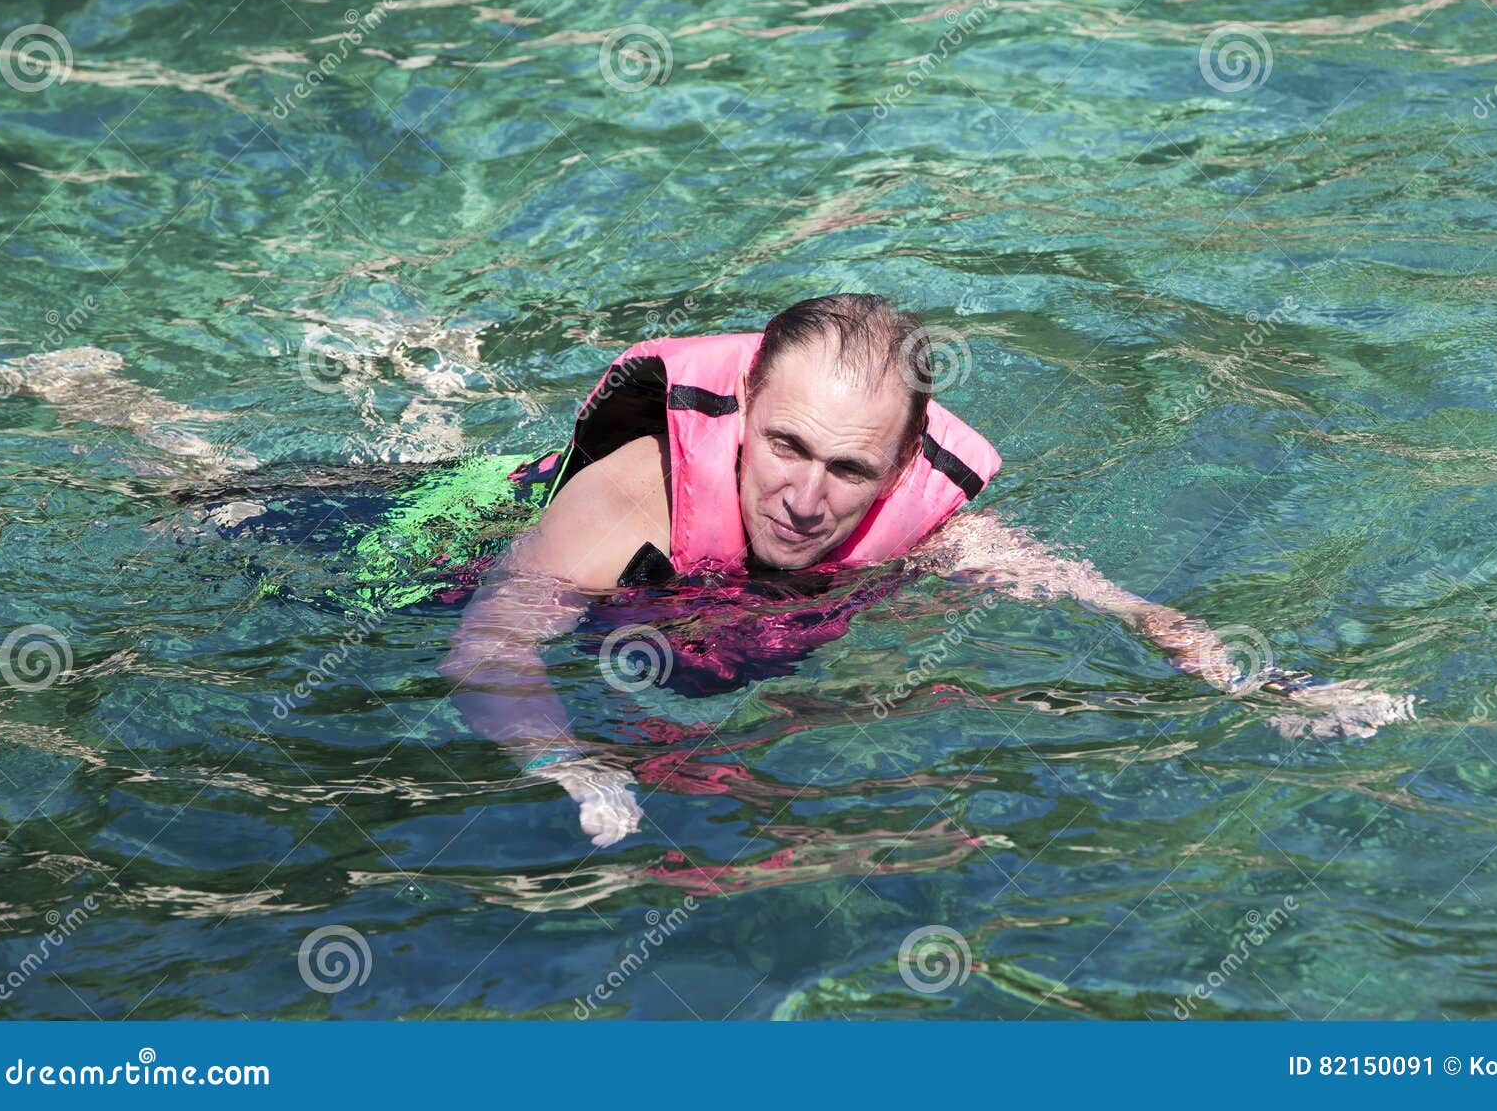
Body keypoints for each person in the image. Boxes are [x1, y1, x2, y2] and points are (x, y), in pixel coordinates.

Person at [440, 294, 1416, 848]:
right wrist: (570, 766)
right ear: (741, 409)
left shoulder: (929, 530)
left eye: (849, 469)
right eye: (785, 446)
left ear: (902, 465)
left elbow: (1138, 615)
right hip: (435, 550)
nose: (807, 497)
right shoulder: (638, 489)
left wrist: (1267, 685)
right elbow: (486, 645)